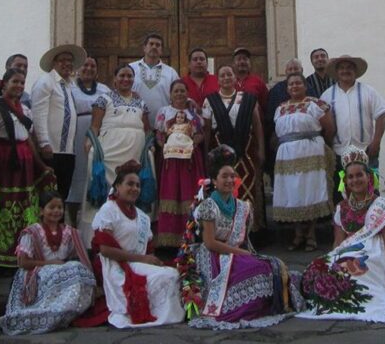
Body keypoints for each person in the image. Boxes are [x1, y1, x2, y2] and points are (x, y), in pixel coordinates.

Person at [179, 145, 302, 329]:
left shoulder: (243, 206)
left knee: (271, 266)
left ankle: (264, 305)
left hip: (235, 254)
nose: (230, 180)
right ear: (214, 180)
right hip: (214, 257)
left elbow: (245, 241)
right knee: (254, 271)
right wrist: (240, 253)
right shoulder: (208, 206)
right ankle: (242, 307)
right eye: (224, 176)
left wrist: (245, 253)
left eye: (232, 176)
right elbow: (210, 243)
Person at [297, 146, 385, 322]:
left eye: (359, 175)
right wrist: (329, 260)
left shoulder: (381, 204)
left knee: (349, 269)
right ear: (345, 181)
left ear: (368, 176)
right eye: (350, 177)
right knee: (317, 267)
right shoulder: (342, 208)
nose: (355, 180)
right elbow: (338, 243)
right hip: (349, 249)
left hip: (374, 253)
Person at [92, 160, 185, 327]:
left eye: (138, 185)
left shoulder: (143, 217)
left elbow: (148, 250)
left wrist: (152, 261)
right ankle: (156, 315)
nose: (135, 189)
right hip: (116, 266)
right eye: (130, 184)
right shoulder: (108, 210)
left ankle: (163, 314)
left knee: (173, 274)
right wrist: (142, 260)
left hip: (137, 263)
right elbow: (105, 249)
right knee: (166, 276)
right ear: (118, 187)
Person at [0, 68, 54, 267]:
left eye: (22, 83)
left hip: (24, 162)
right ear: (4, 83)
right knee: (5, 204)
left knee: (23, 204)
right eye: (15, 82)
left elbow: (29, 139)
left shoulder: (25, 109)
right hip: (4, 161)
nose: (19, 86)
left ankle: (23, 253)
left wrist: (41, 165)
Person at [0, 190, 96, 335]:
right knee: (68, 271)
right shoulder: (32, 232)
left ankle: (64, 311)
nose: (56, 211)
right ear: (41, 211)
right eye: (51, 207)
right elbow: (23, 263)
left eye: (59, 207)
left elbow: (80, 257)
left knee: (79, 269)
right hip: (36, 272)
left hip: (60, 269)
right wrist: (49, 263)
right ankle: (46, 312)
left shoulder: (70, 232)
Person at [79, 64, 151, 245]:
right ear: (114, 79)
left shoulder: (141, 102)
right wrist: (90, 140)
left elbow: (147, 128)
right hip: (110, 151)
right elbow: (95, 125)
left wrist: (150, 145)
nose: (126, 79)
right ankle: (99, 237)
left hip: (134, 151)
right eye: (122, 76)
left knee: (131, 190)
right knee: (108, 191)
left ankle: (131, 238)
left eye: (129, 76)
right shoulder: (104, 99)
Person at [271, 73, 334, 250]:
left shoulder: (315, 104)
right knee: (293, 193)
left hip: (311, 152)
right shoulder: (280, 108)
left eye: (298, 83)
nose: (294, 86)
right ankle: (298, 234)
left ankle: (311, 234)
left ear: (305, 86)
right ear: (287, 88)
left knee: (311, 190)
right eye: (291, 84)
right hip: (288, 155)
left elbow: (329, 128)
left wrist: (322, 146)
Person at [201, 65, 266, 231]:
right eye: (222, 75)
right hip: (220, 151)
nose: (226, 78)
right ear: (218, 80)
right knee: (223, 185)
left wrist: (261, 149)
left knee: (247, 186)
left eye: (229, 74)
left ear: (235, 78)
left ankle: (249, 228)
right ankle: (225, 228)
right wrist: (205, 153)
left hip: (246, 150)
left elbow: (257, 125)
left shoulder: (248, 98)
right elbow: (207, 129)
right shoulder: (210, 100)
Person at [31, 44, 87, 201]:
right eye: (62, 60)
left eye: (70, 60)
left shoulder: (69, 85)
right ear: (54, 63)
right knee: (48, 195)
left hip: (67, 151)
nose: (67, 63)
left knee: (62, 194)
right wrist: (43, 142)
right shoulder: (45, 82)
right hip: (51, 150)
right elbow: (39, 114)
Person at [154, 79, 206, 248]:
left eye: (182, 91)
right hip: (170, 161)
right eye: (176, 91)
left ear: (187, 93)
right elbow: (159, 135)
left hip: (189, 160)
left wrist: (191, 144)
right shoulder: (164, 112)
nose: (179, 94)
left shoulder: (193, 114)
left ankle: (190, 237)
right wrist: (168, 146)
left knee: (189, 195)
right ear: (170, 94)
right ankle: (169, 242)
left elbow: (200, 134)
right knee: (171, 194)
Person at [320, 54, 385, 174]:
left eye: (349, 67)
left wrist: (376, 142)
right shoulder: (327, 95)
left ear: (355, 71)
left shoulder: (368, 91)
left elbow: (381, 115)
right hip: (338, 153)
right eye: (341, 68)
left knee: (371, 188)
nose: (345, 71)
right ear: (337, 72)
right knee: (341, 190)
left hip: (366, 150)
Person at [68, 56, 109, 226]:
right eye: (85, 65)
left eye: (93, 65)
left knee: (94, 173)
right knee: (76, 176)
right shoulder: (69, 88)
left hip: (99, 136)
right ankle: (72, 224)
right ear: (77, 68)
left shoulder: (104, 90)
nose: (89, 68)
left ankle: (94, 221)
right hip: (75, 136)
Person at [128, 33, 179, 127]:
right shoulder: (131, 68)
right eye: (151, 44)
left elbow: (178, 96)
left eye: (158, 45)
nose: (154, 47)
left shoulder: (171, 72)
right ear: (144, 48)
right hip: (135, 124)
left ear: (161, 50)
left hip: (164, 126)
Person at [232, 47, 269, 111]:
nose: (242, 62)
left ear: (250, 63)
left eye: (245, 59)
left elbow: (266, 106)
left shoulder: (258, 82)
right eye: (239, 59)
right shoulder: (228, 82)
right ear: (233, 64)